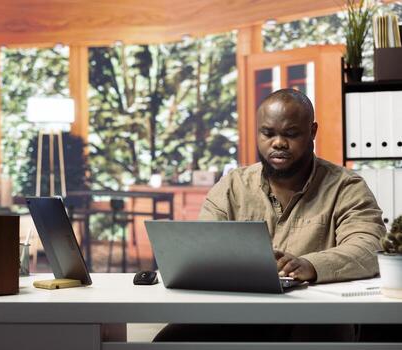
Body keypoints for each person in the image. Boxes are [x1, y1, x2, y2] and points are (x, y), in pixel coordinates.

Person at [154, 88, 385, 342]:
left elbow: (369, 247)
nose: (278, 143)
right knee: (169, 341)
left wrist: (311, 265)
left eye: (291, 134)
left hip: (316, 315)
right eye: (268, 133)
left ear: (312, 132)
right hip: (239, 313)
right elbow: (202, 248)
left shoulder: (345, 187)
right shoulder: (233, 185)